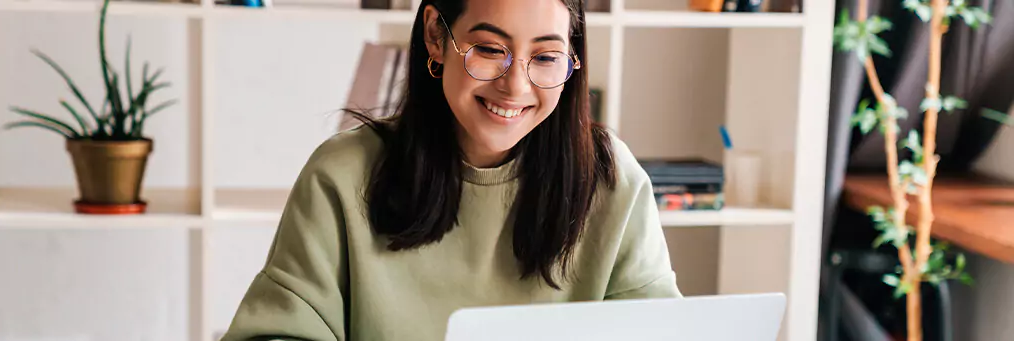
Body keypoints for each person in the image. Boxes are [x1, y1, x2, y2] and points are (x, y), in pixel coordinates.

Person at [220, 0, 682, 340]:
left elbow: (660, 329)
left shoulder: (610, 180)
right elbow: (278, 331)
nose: (515, 85)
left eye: (545, 57)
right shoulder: (342, 176)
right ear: (436, 36)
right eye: (488, 48)